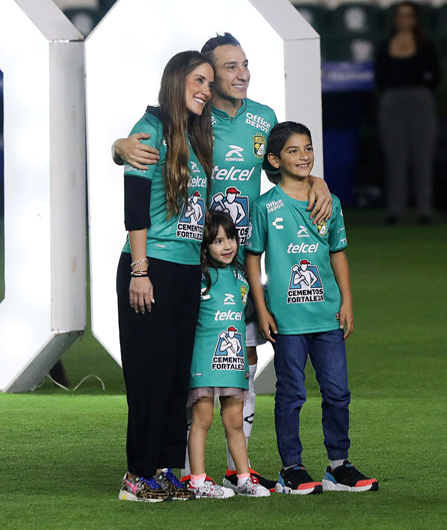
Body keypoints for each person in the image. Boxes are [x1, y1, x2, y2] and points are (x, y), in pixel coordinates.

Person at [112, 32, 333, 491]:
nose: (239, 75)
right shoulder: (183, 123)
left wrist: (318, 181)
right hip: (183, 262)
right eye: (220, 71)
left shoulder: (244, 123)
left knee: (230, 362)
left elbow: (286, 164)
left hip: (231, 262)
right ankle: (149, 471)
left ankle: (228, 467)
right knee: (166, 369)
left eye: (241, 66)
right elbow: (139, 174)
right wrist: (119, 145)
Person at [245, 122, 379, 495]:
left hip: (327, 316)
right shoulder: (265, 207)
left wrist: (347, 301)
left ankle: (338, 466)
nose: (303, 156)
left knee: (337, 391)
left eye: (308, 149)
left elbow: (337, 253)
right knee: (291, 393)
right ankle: (292, 469)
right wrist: (262, 307)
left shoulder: (329, 203)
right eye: (293, 150)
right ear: (274, 159)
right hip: (287, 319)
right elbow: (253, 260)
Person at [117, 50, 215, 502]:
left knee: (177, 375)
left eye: (210, 84)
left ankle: (166, 470)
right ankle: (137, 476)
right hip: (148, 266)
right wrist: (140, 270)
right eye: (198, 80)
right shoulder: (150, 127)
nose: (206, 90)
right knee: (148, 374)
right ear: (176, 81)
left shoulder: (195, 134)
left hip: (184, 271)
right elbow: (136, 207)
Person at [186, 211, 270, 499]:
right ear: (204, 246)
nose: (227, 245)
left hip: (233, 363)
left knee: (234, 420)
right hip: (204, 361)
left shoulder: (240, 275)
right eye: (218, 240)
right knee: (203, 420)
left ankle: (243, 478)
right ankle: (197, 481)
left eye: (231, 238)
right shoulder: (197, 276)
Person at [374, 0, 440, 225]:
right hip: (392, 101)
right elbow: (379, 78)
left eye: (408, 15)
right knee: (395, 159)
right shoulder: (385, 46)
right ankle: (395, 212)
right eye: (400, 15)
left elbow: (436, 76)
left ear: (416, 20)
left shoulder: (425, 45)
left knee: (422, 158)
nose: (404, 20)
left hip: (420, 101)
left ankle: (424, 212)